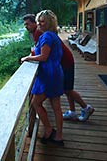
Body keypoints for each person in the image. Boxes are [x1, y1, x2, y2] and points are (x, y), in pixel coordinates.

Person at [23, 14, 95, 122]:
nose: (26, 26)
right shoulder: (40, 32)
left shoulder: (40, 32)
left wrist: (29, 57)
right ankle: (72, 111)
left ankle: (86, 107)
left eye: (28, 24)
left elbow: (43, 53)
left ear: (34, 23)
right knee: (67, 89)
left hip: (64, 62)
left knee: (67, 89)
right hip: (62, 61)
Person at [21, 10, 64, 146]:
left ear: (49, 22)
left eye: (42, 21)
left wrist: (27, 57)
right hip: (56, 72)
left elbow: (43, 57)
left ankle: (49, 129)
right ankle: (59, 136)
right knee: (56, 106)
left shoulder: (46, 37)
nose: (39, 23)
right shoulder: (53, 35)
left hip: (48, 75)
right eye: (38, 20)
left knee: (36, 103)